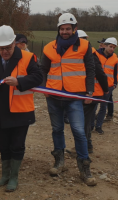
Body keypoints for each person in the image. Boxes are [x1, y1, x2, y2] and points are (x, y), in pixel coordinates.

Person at [0, 25, 43, 192]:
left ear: (14, 43)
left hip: (21, 111)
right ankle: (5, 175)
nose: (4, 52)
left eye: (8, 48)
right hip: (1, 110)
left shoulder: (28, 57)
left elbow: (38, 77)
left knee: (17, 144)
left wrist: (19, 82)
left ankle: (14, 177)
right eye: (1, 49)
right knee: (2, 144)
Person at [41, 13, 96, 186]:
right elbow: (42, 69)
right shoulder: (50, 47)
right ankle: (59, 162)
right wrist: (44, 88)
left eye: (67, 29)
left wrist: (89, 92)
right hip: (54, 96)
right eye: (62, 29)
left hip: (75, 97)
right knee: (57, 129)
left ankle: (84, 167)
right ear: (58, 29)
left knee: (79, 131)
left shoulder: (85, 46)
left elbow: (90, 69)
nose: (64, 32)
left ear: (74, 29)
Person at [91, 37, 117, 134]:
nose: (112, 49)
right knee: (93, 106)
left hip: (109, 87)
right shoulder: (96, 55)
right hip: (96, 86)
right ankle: (91, 125)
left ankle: (98, 126)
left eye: (114, 47)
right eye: (110, 46)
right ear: (105, 45)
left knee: (103, 107)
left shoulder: (115, 58)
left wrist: (115, 83)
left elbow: (115, 72)